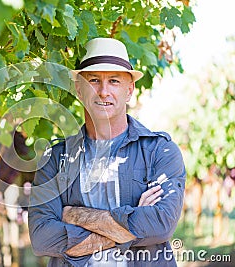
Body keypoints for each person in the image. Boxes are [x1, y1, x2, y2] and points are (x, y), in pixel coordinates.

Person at [28, 38, 186, 267]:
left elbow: (161, 224)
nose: (103, 91)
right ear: (79, 90)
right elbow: (42, 238)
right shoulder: (56, 159)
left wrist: (74, 215)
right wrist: (130, 225)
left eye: (113, 81)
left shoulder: (159, 151)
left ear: (129, 90)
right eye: (94, 80)